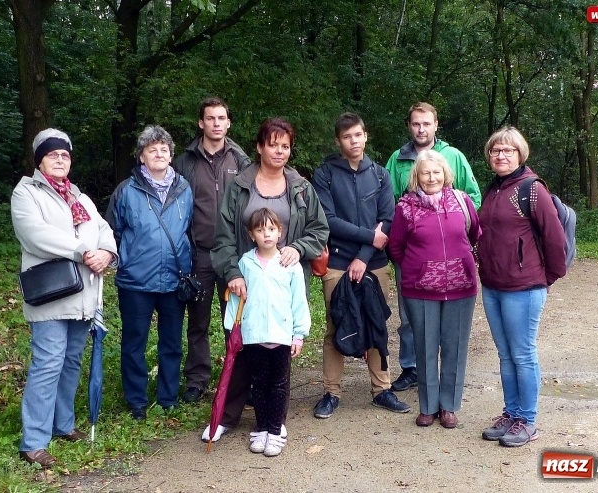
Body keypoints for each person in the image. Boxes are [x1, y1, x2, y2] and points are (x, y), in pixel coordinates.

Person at [206, 117, 328, 442]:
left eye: (285, 145)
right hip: (244, 284)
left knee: (277, 356)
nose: (279, 151)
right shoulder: (240, 186)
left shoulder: (300, 187)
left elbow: (319, 230)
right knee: (240, 349)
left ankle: (274, 420)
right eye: (273, 144)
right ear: (259, 147)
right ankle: (226, 417)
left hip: (281, 285)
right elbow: (222, 237)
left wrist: (299, 248)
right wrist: (232, 272)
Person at [11, 129, 117, 468]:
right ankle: (34, 442)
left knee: (71, 361)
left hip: (82, 295)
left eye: (65, 155)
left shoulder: (79, 197)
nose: (60, 159)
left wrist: (106, 253)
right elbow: (35, 235)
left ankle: (63, 424)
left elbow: (103, 229)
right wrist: (83, 250)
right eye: (53, 154)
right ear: (39, 159)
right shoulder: (26, 193)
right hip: (50, 294)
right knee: (48, 362)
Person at [311, 112, 410, 418]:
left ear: (366, 136)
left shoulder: (380, 174)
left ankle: (382, 389)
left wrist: (363, 256)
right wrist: (368, 239)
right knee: (335, 325)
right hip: (337, 261)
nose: (353, 141)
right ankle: (331, 392)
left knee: (376, 323)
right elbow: (328, 219)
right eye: (346, 136)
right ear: (338, 141)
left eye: (358, 135)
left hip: (374, 263)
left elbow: (388, 220)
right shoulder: (325, 174)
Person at [477, 126, 566, 447]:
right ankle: (511, 413)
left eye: (507, 150)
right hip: (492, 286)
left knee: (523, 354)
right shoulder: (494, 189)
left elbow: (555, 239)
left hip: (524, 287)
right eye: (495, 150)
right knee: (505, 355)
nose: (500, 155)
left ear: (520, 154)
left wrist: (548, 278)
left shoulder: (531, 189)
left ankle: (527, 420)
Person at [385, 102, 482, 394]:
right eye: (416, 124)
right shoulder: (397, 160)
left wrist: (455, 234)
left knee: (449, 324)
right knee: (410, 317)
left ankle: (444, 380)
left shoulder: (453, 157)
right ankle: (411, 367)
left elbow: (472, 199)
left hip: (451, 254)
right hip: (413, 254)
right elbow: (388, 201)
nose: (421, 129)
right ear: (409, 126)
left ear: (436, 125)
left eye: (426, 123)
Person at [106, 125, 194, 420]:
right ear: (141, 156)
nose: (159, 154)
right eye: (152, 149)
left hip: (174, 279)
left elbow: (190, 230)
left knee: (171, 342)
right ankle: (137, 402)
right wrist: (126, 260)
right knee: (134, 342)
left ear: (171, 155)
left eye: (164, 149)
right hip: (135, 281)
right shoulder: (125, 191)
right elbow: (112, 232)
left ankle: (168, 398)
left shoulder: (184, 188)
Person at [173, 97, 251, 404]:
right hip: (200, 253)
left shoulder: (242, 161)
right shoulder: (184, 162)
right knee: (198, 322)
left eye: (222, 118)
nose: (216, 123)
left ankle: (239, 381)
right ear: (201, 123)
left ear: (228, 123)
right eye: (211, 118)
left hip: (233, 254)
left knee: (236, 320)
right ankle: (197, 380)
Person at [224, 208, 310, 457]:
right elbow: (235, 301)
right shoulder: (245, 263)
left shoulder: (289, 264)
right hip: (254, 335)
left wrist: (298, 334)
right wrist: (234, 332)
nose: (266, 235)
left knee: (278, 385)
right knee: (259, 384)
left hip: (281, 335)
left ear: (280, 231)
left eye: (271, 229)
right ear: (252, 235)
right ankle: (261, 427)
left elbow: (298, 301)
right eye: (260, 230)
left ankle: (275, 430)